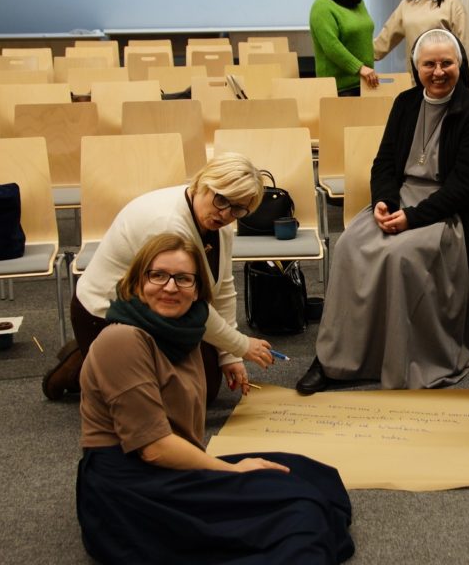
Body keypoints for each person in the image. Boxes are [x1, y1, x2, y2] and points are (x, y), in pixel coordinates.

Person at [76, 233, 355, 564]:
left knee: (313, 475)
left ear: (197, 290)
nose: (170, 287)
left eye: (183, 278)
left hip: (168, 462)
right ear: (138, 282)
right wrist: (230, 471)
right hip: (131, 485)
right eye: (158, 275)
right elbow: (153, 448)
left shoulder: (183, 331)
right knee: (301, 513)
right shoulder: (122, 340)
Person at [296, 28, 469, 394]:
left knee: (400, 254)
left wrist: (413, 218)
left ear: (460, 65)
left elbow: (466, 184)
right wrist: (384, 202)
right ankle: (334, 357)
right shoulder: (405, 103)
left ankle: (398, 357)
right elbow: (385, 162)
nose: (438, 72)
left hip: (449, 211)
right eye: (429, 64)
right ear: (416, 68)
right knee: (349, 245)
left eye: (447, 63)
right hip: (401, 200)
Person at [42, 153, 276, 403]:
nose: (226, 214)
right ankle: (85, 362)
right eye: (221, 200)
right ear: (203, 183)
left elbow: (223, 289)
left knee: (204, 389)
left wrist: (230, 356)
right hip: (106, 314)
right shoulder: (168, 224)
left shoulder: (220, 224)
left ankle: (100, 359)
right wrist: (240, 345)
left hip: (164, 306)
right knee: (169, 398)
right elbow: (190, 303)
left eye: (238, 209)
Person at [310, 0, 379, 96]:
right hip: (339, 88)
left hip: (364, 82)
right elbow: (332, 46)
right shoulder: (322, 7)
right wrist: (359, 68)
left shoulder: (357, 1)